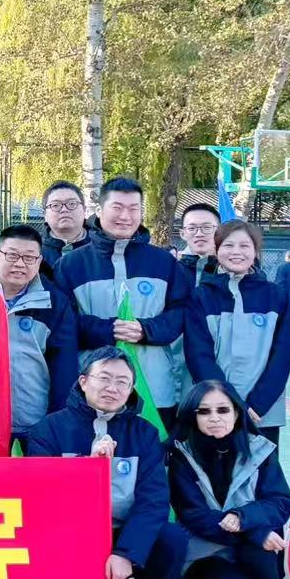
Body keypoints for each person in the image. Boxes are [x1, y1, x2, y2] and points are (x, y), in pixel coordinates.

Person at [23, 348, 188, 579]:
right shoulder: (49, 429)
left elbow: (153, 501)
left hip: (123, 529)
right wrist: (88, 467)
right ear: (84, 381)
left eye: (122, 382)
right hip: (71, 530)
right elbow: (42, 493)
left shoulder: (145, 434)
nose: (112, 388)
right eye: (104, 378)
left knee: (172, 539)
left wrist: (126, 552)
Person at [168, 379, 290, 579]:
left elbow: (280, 501)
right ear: (192, 416)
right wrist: (253, 531)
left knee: (260, 543)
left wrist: (244, 518)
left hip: (249, 547)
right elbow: (192, 514)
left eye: (222, 410)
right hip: (203, 549)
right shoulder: (181, 455)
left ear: (237, 412)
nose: (214, 418)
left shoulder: (260, 450)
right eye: (204, 411)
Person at [59, 176, 193, 416]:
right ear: (99, 210)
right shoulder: (71, 264)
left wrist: (145, 330)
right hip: (94, 392)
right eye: (117, 207)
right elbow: (63, 322)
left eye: (133, 208)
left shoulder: (164, 262)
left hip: (155, 390)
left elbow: (181, 312)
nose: (125, 216)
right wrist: (108, 330)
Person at [0, 225, 79, 442]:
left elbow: (63, 371)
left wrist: (56, 424)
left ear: (39, 261)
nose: (20, 264)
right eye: (12, 255)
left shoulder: (56, 303)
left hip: (32, 423)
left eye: (29, 258)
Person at [183, 220, 290, 438]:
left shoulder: (276, 296)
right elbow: (199, 355)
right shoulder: (201, 296)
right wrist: (227, 403)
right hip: (214, 409)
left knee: (259, 461)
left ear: (255, 251)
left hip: (261, 414)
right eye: (228, 245)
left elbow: (282, 356)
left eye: (244, 246)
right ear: (216, 250)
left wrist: (258, 404)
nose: (236, 252)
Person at [38, 180, 89, 269]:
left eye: (72, 204)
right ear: (44, 214)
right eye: (55, 205)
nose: (64, 210)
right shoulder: (33, 250)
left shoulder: (104, 247)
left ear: (84, 210)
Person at [175, 202, 220, 273]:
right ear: (182, 234)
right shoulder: (170, 272)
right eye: (191, 228)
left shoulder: (234, 269)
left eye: (207, 227)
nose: (199, 234)